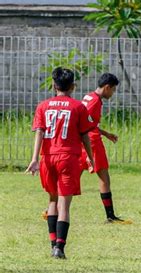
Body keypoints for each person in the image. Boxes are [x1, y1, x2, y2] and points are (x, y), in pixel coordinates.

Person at [26, 67, 94, 259]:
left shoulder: (43, 106)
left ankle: (52, 243)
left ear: (54, 85)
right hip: (68, 158)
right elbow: (84, 135)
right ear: (72, 86)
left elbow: (39, 131)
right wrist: (89, 156)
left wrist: (34, 159)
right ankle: (59, 248)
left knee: (52, 200)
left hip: (47, 158)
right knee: (64, 204)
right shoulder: (78, 107)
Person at [78, 73, 132, 224]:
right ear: (107, 87)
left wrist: (106, 133)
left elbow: (88, 122)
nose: (113, 93)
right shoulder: (95, 102)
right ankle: (110, 216)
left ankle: (51, 209)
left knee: (73, 176)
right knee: (104, 178)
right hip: (92, 142)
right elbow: (85, 123)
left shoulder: (88, 96)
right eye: (113, 90)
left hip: (83, 141)